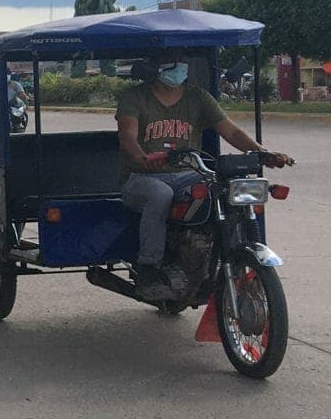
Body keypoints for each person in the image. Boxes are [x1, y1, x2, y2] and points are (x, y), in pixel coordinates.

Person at [117, 61, 291, 295]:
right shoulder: (134, 97)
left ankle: (216, 253)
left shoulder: (198, 97)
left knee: (223, 189)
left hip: (189, 174)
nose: (179, 67)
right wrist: (143, 158)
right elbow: (128, 136)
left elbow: (231, 131)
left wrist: (263, 154)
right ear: (156, 68)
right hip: (142, 177)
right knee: (161, 194)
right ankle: (149, 267)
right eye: (171, 62)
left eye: (181, 61)